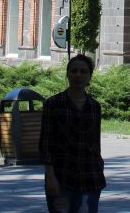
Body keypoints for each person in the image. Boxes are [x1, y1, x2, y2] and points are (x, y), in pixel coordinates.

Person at [39, 54, 106, 213]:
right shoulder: (53, 104)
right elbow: (46, 143)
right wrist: (50, 177)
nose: (78, 75)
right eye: (74, 71)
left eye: (83, 72)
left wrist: (99, 167)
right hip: (62, 176)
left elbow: (95, 143)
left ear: (89, 76)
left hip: (89, 177)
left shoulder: (94, 107)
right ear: (67, 74)